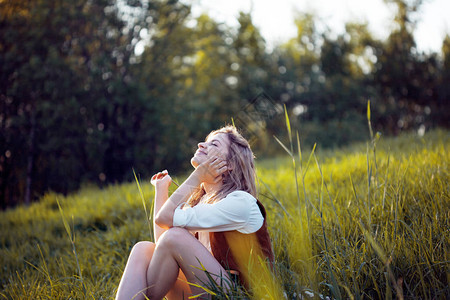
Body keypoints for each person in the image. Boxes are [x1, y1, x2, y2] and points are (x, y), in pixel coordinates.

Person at [115, 126, 274, 300]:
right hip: (209, 289)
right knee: (143, 249)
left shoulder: (240, 202)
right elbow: (163, 246)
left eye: (214, 144)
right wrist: (161, 190)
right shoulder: (201, 204)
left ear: (230, 164)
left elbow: (166, 224)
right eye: (205, 142)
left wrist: (197, 177)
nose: (200, 145)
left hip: (241, 295)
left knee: (175, 236)